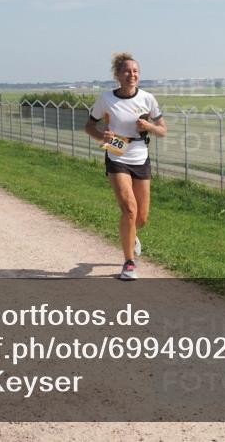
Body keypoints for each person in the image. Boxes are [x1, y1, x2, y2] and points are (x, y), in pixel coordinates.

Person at [85, 53, 166, 280]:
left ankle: (131, 235)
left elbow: (163, 130)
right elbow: (89, 126)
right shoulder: (106, 99)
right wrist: (102, 136)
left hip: (140, 156)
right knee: (129, 209)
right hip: (117, 153)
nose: (132, 75)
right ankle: (129, 263)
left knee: (142, 218)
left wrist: (149, 126)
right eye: (127, 71)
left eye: (136, 71)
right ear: (118, 75)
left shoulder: (148, 99)